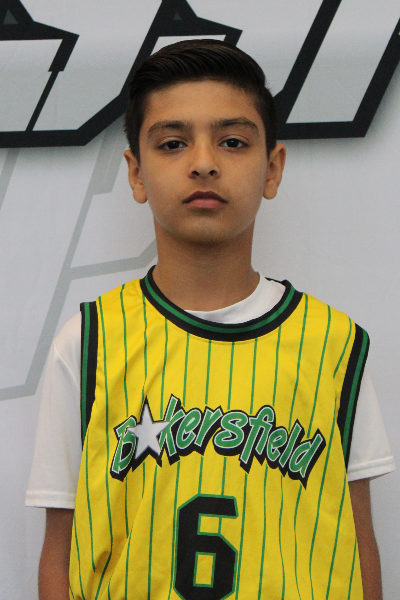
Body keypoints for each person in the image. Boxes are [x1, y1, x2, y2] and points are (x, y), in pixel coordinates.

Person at [26, 39, 395, 600]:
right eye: (173, 143)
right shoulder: (89, 341)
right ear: (136, 174)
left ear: (272, 168)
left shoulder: (335, 345)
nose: (203, 162)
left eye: (232, 141)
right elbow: (60, 552)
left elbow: (356, 540)